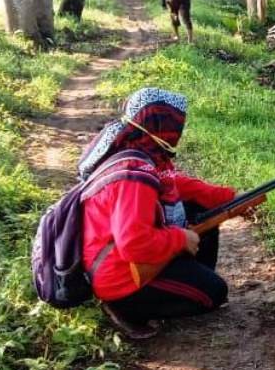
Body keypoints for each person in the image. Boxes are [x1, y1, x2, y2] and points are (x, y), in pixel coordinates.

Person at [78, 88, 237, 339]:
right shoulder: (134, 176)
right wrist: (181, 239)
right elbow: (133, 244)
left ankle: (188, 279)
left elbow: (177, 183)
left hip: (124, 260)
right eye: (175, 123)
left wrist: (230, 198)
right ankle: (126, 309)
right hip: (121, 277)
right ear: (160, 124)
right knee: (214, 293)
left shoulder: (139, 152)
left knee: (201, 208)